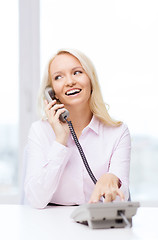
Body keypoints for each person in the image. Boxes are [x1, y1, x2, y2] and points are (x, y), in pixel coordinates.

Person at [24, 48, 131, 209]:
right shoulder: (39, 131)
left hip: (98, 226)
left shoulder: (117, 132)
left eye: (77, 72)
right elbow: (36, 200)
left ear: (91, 79)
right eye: (58, 77)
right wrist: (60, 141)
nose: (69, 82)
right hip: (51, 227)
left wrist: (111, 179)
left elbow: (119, 203)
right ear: (52, 92)